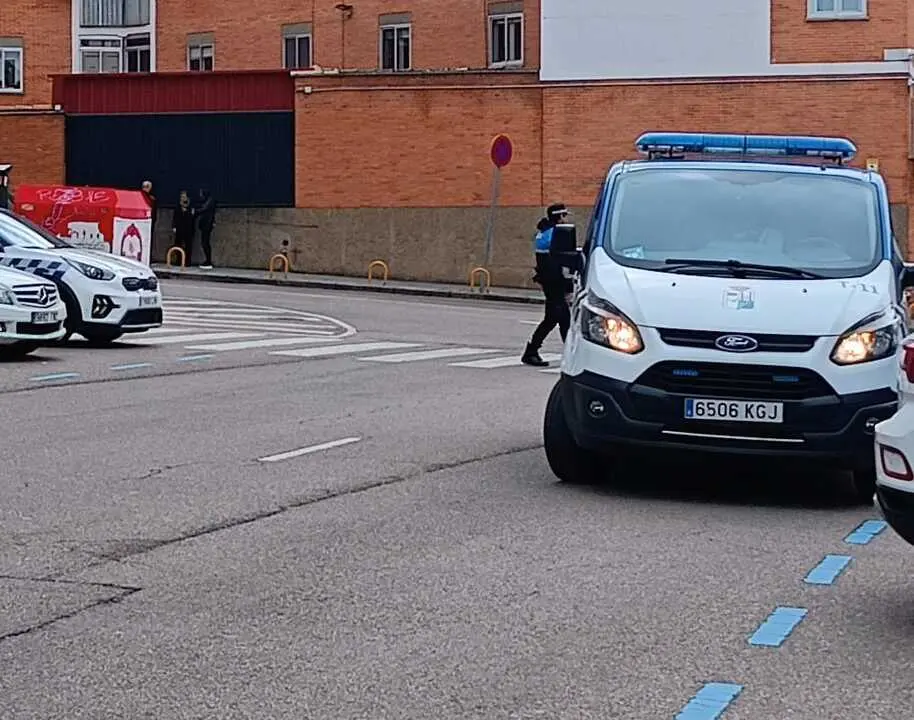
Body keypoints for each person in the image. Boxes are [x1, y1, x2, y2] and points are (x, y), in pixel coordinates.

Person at [521, 202, 581, 367]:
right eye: (564, 216)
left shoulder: (543, 232)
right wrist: (568, 285)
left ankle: (572, 354)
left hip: (549, 280)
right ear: (559, 216)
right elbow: (564, 261)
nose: (565, 219)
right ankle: (531, 352)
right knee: (554, 317)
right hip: (555, 281)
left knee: (563, 318)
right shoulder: (558, 233)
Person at [171, 190, 196, 262]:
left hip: (188, 228)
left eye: (184, 197)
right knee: (178, 244)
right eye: (181, 197)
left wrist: (187, 211)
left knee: (188, 245)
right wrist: (174, 226)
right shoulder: (178, 206)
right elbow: (175, 217)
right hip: (179, 228)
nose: (182, 198)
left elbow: (193, 217)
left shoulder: (191, 206)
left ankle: (187, 261)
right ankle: (178, 260)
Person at [196, 188, 216, 269]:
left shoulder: (209, 201)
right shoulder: (208, 201)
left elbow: (203, 209)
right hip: (206, 224)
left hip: (207, 224)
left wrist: (195, 211)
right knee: (204, 242)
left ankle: (208, 260)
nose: (200, 195)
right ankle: (207, 260)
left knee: (205, 242)